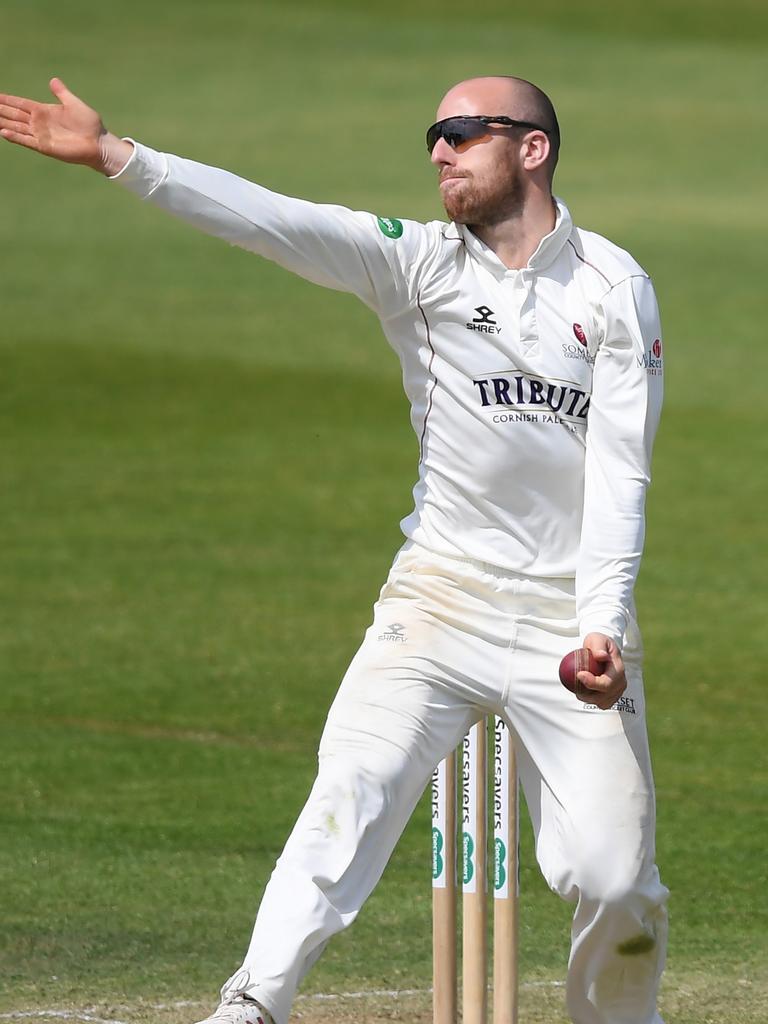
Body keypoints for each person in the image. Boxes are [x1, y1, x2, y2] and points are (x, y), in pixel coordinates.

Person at [0, 74, 669, 1024]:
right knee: (349, 793)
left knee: (611, 879)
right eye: (431, 134)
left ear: (532, 148)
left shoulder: (613, 287)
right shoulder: (419, 265)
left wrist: (600, 624)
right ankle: (251, 1005)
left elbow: (622, 473)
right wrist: (120, 157)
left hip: (569, 620)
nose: (438, 150)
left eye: (462, 132)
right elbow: (272, 220)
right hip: (440, 601)